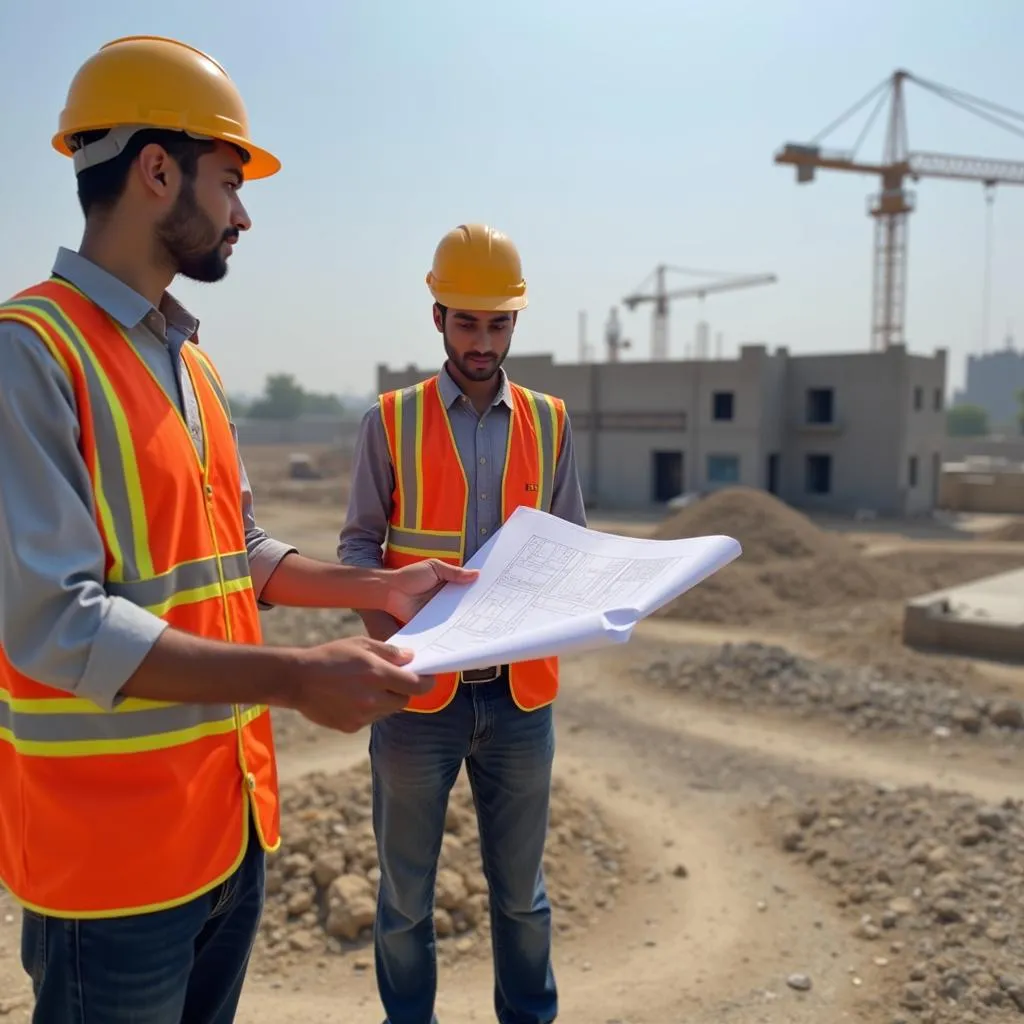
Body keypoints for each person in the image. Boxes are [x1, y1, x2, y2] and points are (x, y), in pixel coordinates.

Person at [0, 36, 477, 1024]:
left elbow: (235, 553)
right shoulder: (29, 355)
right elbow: (56, 623)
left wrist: (376, 588)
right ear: (156, 170)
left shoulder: (192, 366)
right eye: (230, 179)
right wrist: (297, 680)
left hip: (225, 826)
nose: (244, 211)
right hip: (112, 868)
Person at [339, 223, 587, 1024]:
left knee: (523, 899)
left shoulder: (550, 422)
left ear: (515, 322)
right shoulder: (391, 420)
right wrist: (390, 636)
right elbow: (357, 546)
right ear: (438, 315)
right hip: (417, 703)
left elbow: (567, 545)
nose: (483, 342)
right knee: (406, 900)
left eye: (499, 323)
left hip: (520, 703)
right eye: (467, 322)